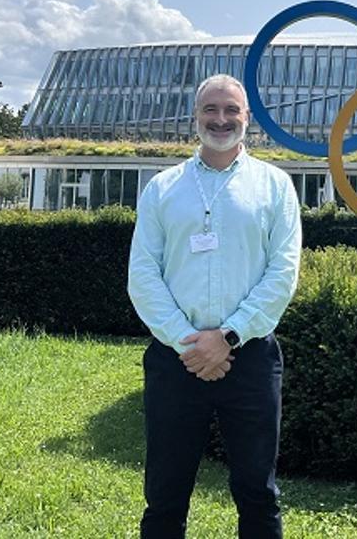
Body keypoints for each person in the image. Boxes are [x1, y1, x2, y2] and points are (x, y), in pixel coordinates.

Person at [127, 73, 302, 538]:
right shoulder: (163, 188)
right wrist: (192, 342)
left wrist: (226, 338)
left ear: (247, 120)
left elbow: (282, 274)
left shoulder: (275, 186)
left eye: (231, 110)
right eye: (211, 109)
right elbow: (143, 275)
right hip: (175, 359)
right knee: (164, 495)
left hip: (250, 359)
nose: (220, 119)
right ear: (195, 119)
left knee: (258, 494)